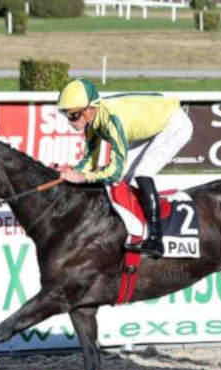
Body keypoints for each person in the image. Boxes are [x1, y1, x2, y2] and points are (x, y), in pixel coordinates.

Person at [56, 78, 193, 258]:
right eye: (67, 115)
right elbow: (90, 161)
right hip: (154, 125)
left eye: (73, 115)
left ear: (89, 110)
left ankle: (156, 238)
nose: (70, 121)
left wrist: (82, 177)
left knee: (141, 173)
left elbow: (115, 172)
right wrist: (71, 172)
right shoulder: (92, 122)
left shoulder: (112, 120)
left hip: (175, 124)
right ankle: (133, 228)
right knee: (125, 178)